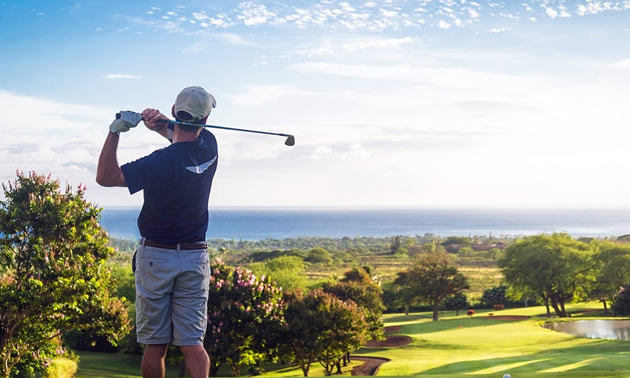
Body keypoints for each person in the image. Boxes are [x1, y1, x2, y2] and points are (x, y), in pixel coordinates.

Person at [96, 86, 218, 378]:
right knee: (192, 344)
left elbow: (106, 177)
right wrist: (160, 124)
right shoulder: (210, 146)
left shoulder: (160, 162)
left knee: (155, 345)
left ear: (176, 111)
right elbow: (180, 134)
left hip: (156, 258)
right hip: (194, 258)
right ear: (205, 121)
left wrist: (115, 131)